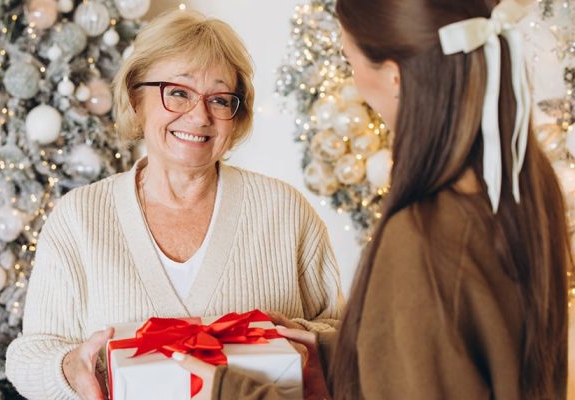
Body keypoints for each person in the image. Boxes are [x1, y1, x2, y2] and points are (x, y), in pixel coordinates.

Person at [175, 0, 571, 398]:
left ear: (395, 77)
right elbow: (458, 350)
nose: (354, 82)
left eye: (351, 62)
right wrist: (346, 353)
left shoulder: (421, 236)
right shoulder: (527, 190)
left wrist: (235, 393)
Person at [5, 9, 344, 400]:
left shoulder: (286, 211)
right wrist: (69, 368)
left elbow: (345, 339)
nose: (199, 116)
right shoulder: (78, 218)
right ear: (136, 98)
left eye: (219, 99)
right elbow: (29, 355)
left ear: (236, 116)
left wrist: (299, 339)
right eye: (178, 92)